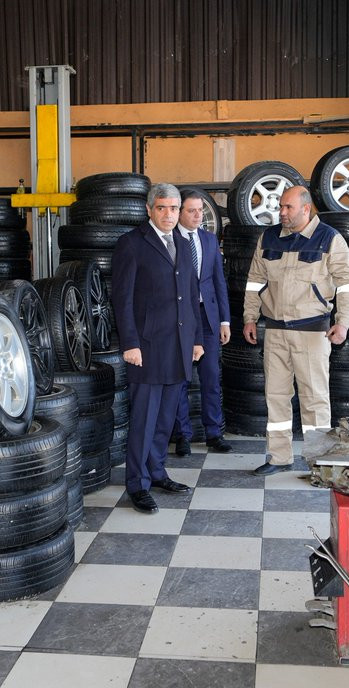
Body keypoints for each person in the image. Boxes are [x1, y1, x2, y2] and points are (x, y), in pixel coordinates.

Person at [242, 185, 349, 475]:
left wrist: (343, 322)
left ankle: (319, 463)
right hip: (275, 331)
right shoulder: (268, 238)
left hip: (312, 332)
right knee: (276, 396)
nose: (281, 212)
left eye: (288, 207)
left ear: (306, 209)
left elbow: (346, 284)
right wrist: (250, 317)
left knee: (314, 399)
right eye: (280, 206)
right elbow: (254, 281)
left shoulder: (329, 238)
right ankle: (279, 457)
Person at [111, 183, 204, 514]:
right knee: (144, 419)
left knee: (165, 419)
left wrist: (196, 339)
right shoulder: (131, 244)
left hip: (178, 346)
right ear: (149, 209)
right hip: (147, 349)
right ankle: (137, 484)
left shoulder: (184, 242)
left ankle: (157, 471)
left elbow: (191, 295)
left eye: (174, 208)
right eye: (162, 208)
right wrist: (130, 344)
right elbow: (122, 299)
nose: (169, 214)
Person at [170, 189, 233, 456]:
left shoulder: (208, 239)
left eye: (201, 211)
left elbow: (219, 281)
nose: (198, 216)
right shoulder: (169, 240)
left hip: (208, 317)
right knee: (180, 380)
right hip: (180, 319)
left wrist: (224, 321)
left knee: (211, 378)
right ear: (179, 213)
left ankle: (214, 433)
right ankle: (182, 436)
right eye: (192, 211)